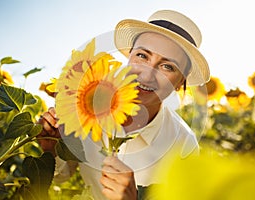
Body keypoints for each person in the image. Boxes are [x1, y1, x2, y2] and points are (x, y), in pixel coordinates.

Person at [38, 10, 210, 200]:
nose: (146, 74)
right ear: (129, 57)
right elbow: (61, 177)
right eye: (142, 56)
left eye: (167, 66)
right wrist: (50, 148)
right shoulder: (85, 110)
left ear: (179, 83)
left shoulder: (183, 144)